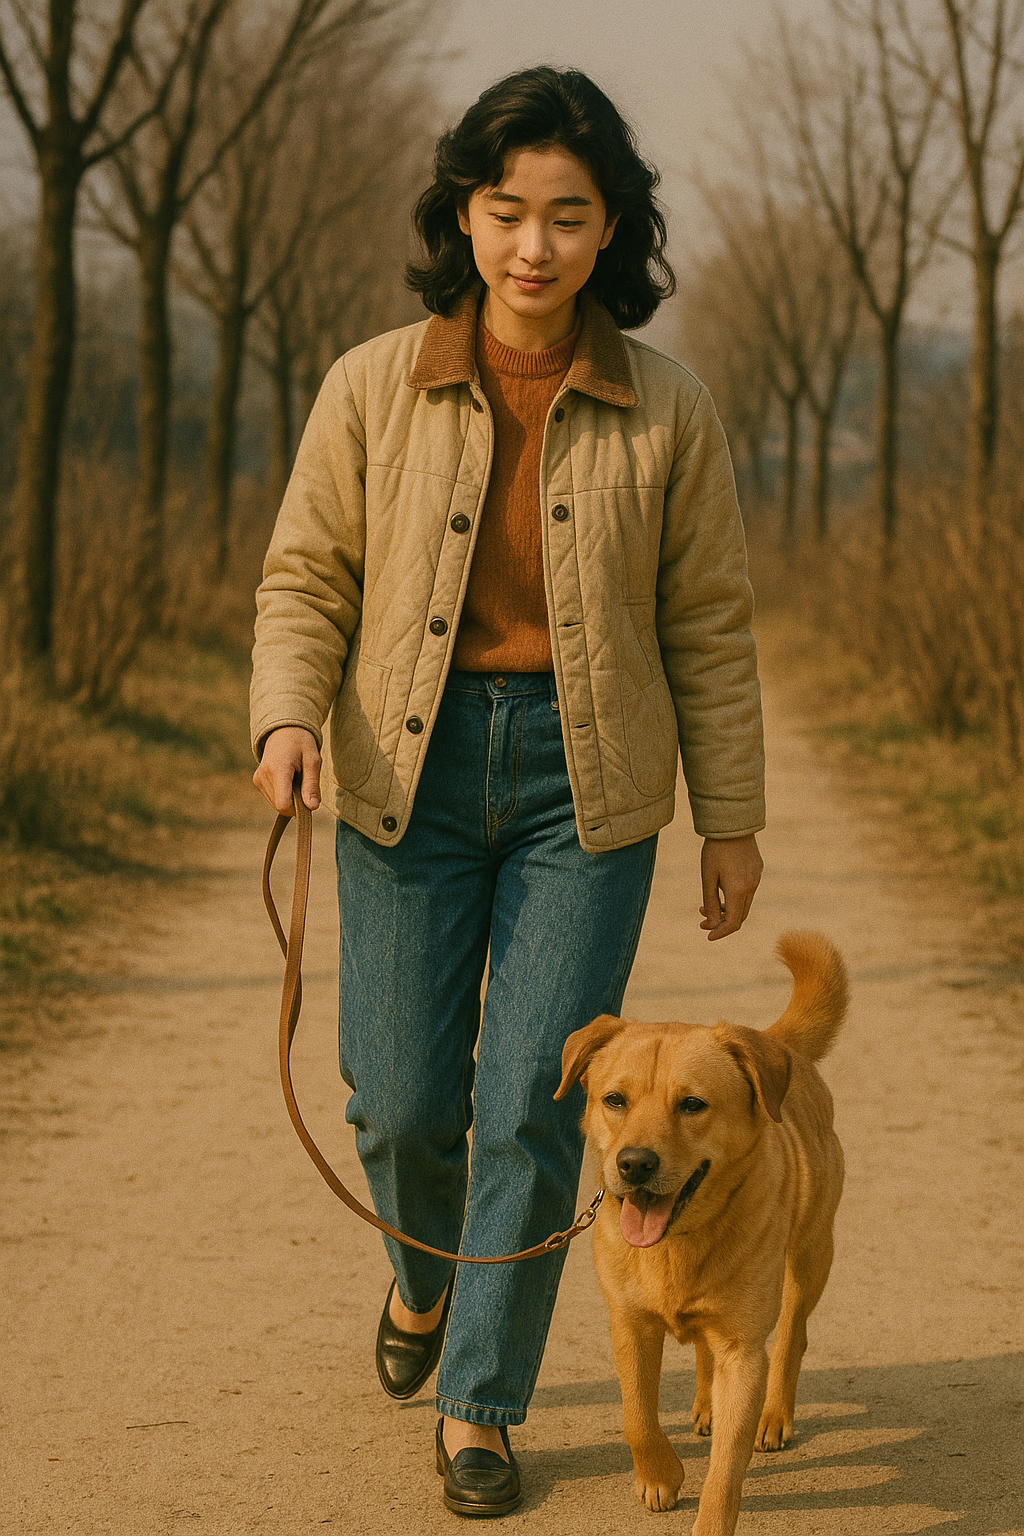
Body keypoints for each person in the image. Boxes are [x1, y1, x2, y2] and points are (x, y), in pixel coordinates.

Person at [250, 66, 765, 1518]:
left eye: (568, 216)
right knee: (404, 1103)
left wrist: (731, 819)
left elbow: (709, 625)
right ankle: (423, 1286)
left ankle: (479, 1405)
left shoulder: (670, 411)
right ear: (463, 218)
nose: (533, 245)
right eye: (505, 211)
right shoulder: (370, 384)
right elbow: (307, 577)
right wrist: (288, 713)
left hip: (584, 795)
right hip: (400, 776)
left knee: (545, 1111)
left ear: (614, 233)